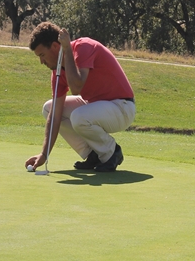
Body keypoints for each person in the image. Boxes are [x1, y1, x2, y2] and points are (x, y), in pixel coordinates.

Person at [25, 22, 136, 172]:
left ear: (55, 46)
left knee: (79, 117)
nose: (41, 62)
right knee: (49, 108)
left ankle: (111, 152)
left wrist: (67, 50)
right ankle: (93, 154)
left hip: (122, 107)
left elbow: (76, 87)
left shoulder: (84, 47)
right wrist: (44, 154)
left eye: (42, 55)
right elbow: (55, 116)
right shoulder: (57, 72)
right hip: (96, 107)